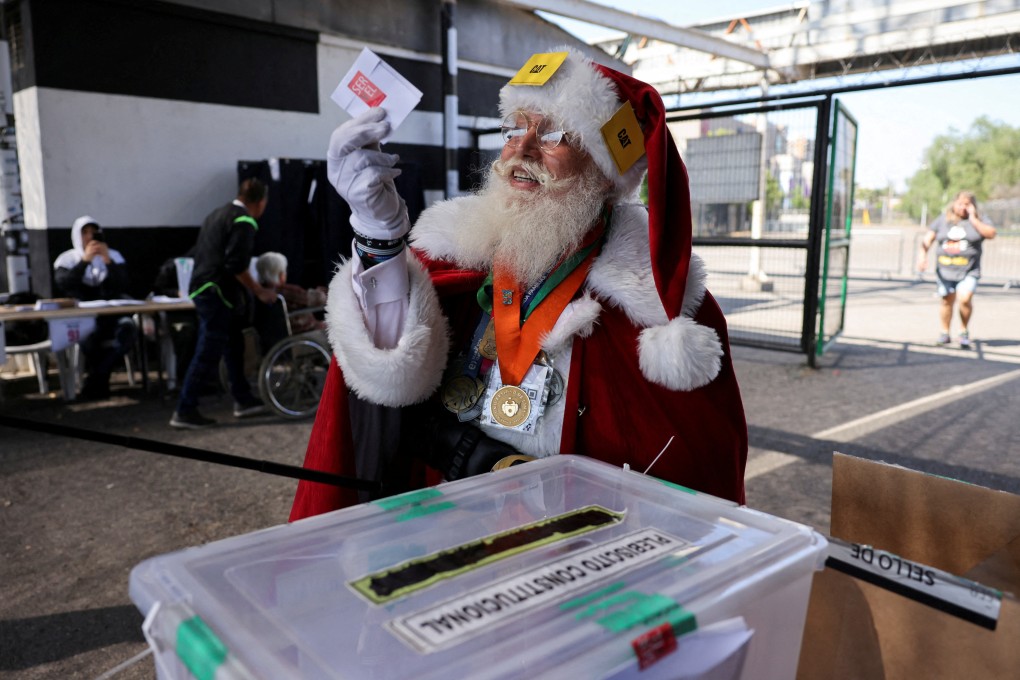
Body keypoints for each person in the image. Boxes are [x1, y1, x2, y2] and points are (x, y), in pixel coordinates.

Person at [290, 48, 748, 520]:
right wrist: (378, 235)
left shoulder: (656, 308)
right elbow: (390, 374)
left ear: (603, 170)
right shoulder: (455, 253)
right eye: (515, 128)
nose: (521, 151)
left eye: (552, 133)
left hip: (575, 548)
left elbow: (696, 473)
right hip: (446, 521)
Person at [170, 178, 278, 429]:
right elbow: (236, 265)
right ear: (260, 203)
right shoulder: (244, 221)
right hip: (216, 290)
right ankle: (184, 409)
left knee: (233, 344)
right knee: (209, 349)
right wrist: (259, 291)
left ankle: (243, 399)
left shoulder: (216, 215)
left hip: (204, 287)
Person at [53, 216, 138, 400]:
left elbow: (124, 283)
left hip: (112, 316)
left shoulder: (113, 256)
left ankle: (95, 379)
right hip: (84, 318)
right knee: (88, 338)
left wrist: (107, 260)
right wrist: (85, 261)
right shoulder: (67, 259)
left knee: (128, 330)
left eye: (94, 232)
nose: (90, 236)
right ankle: (99, 381)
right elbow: (65, 284)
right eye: (85, 232)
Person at [918, 191, 997, 349]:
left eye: (967, 204)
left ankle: (963, 330)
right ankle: (945, 332)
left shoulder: (980, 220)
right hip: (945, 270)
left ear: (973, 206)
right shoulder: (943, 219)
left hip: (968, 270)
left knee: (965, 299)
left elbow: (991, 233)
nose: (963, 207)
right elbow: (928, 239)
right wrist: (922, 256)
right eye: (960, 203)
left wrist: (974, 219)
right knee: (947, 300)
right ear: (954, 204)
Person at [253, 251, 328, 351]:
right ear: (280, 275)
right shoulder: (285, 291)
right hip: (303, 332)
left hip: (276, 338)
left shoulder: (262, 294)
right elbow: (316, 299)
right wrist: (321, 291)